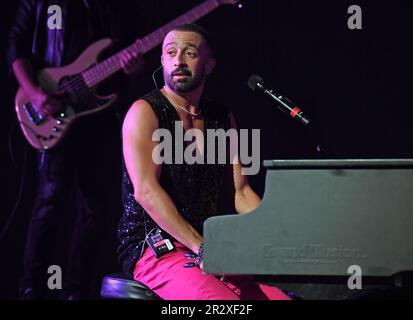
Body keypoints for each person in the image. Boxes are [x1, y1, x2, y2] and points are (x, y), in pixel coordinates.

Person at [118, 23, 291, 300]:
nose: (178, 60)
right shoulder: (145, 112)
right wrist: (201, 248)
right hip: (155, 247)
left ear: (209, 65)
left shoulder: (222, 117)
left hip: (210, 246)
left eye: (190, 53)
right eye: (171, 52)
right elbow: (146, 192)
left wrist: (280, 236)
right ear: (162, 60)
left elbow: (241, 192)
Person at [8, 0, 143, 299]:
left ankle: (77, 290)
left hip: (102, 115)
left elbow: (134, 52)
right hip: (54, 107)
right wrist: (34, 92)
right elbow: (16, 46)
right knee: (49, 202)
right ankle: (30, 288)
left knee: (94, 210)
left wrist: (135, 66)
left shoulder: (118, 7)